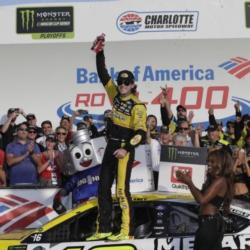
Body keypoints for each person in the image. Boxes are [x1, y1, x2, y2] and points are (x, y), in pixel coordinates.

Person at [87, 34, 147, 241]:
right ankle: (103, 229)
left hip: (124, 149)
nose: (122, 85)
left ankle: (126, 231)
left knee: (122, 191)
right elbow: (103, 74)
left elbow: (141, 133)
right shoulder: (114, 95)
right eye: (120, 82)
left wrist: (127, 148)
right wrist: (100, 52)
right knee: (102, 189)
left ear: (132, 85)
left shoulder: (138, 106)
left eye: (126, 82)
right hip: (110, 146)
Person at [176, 149, 234, 250]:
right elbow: (202, 195)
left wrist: (190, 183)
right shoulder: (215, 180)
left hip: (210, 225)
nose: (208, 164)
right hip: (209, 223)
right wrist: (187, 183)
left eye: (212, 162)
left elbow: (202, 200)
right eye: (208, 161)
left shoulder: (220, 180)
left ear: (220, 164)